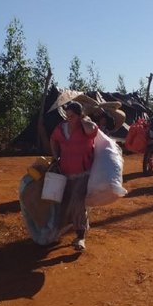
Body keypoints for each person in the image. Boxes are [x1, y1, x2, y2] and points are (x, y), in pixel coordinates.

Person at [49, 101, 98, 251]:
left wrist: (84, 120)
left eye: (72, 116)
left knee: (77, 202)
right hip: (65, 172)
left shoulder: (86, 126)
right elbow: (53, 139)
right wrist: (56, 155)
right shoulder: (61, 128)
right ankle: (63, 230)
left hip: (83, 173)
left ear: (79, 115)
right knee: (63, 202)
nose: (68, 119)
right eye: (67, 115)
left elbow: (93, 131)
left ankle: (80, 236)